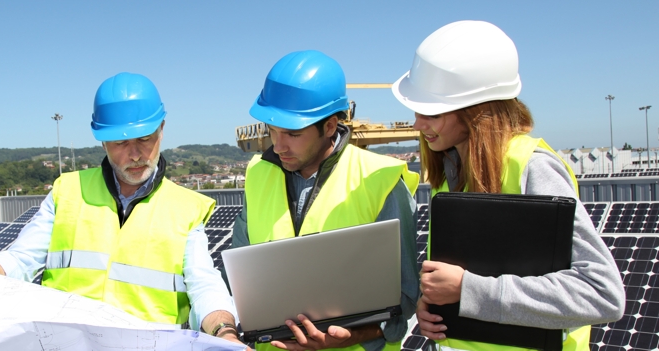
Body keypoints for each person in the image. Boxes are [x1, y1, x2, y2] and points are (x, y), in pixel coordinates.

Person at [0, 72, 246, 347]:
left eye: (145, 138)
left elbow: (204, 284)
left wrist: (224, 331)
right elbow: (22, 259)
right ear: (102, 141)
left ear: (162, 129)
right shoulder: (67, 192)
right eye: (120, 142)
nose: (135, 154)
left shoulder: (185, 208)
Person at [391, 20, 625, 350]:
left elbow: (602, 294)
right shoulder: (452, 173)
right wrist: (433, 308)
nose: (417, 122)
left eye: (431, 111)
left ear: (477, 111)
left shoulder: (532, 167)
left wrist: (470, 291)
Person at [224, 50, 420, 351]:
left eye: (293, 133)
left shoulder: (380, 180)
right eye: (272, 130)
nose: (278, 145)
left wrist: (353, 335)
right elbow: (240, 280)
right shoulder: (258, 175)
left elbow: (405, 297)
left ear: (330, 126)